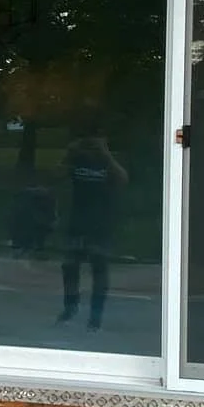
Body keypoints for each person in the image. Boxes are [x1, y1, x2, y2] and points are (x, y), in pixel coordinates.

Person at [58, 120, 127, 331]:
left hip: (101, 223)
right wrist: (69, 154)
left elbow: (123, 179)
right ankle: (70, 306)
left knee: (99, 268)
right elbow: (57, 176)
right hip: (77, 220)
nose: (91, 145)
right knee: (70, 266)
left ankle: (95, 317)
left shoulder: (108, 161)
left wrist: (105, 154)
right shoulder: (77, 158)